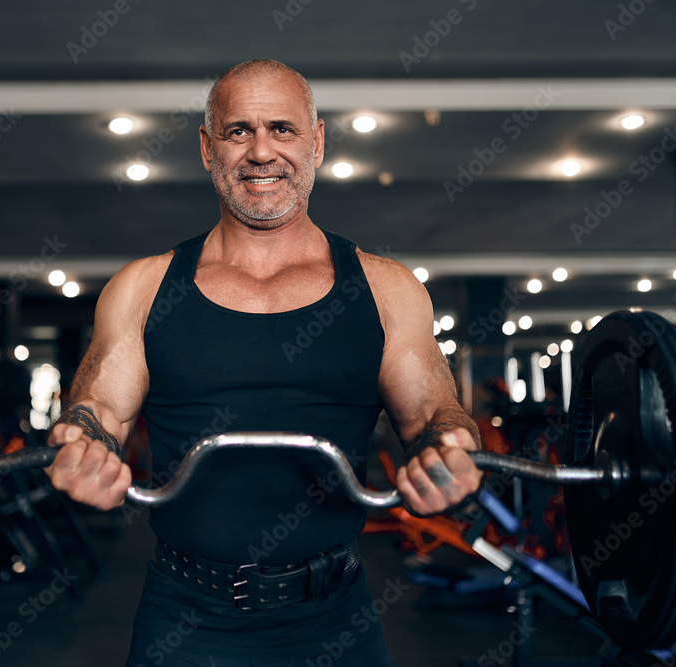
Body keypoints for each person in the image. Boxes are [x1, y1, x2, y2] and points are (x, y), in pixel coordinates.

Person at [44, 59, 482, 666]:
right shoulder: (143, 287)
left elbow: (433, 412)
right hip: (185, 616)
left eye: (283, 129)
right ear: (207, 148)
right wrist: (82, 443)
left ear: (317, 142)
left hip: (335, 617)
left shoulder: (386, 289)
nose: (260, 151)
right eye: (237, 131)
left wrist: (449, 454)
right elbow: (101, 410)